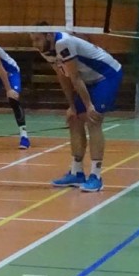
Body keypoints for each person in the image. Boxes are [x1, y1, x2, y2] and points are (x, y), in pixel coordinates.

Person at [31, 24, 124, 193]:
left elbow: (75, 77)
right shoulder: (46, 50)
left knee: (93, 119)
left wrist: (89, 106)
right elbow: (63, 76)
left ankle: (96, 176)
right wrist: (72, 106)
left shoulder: (63, 43)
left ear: (49, 35)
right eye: (33, 40)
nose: (35, 44)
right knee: (74, 119)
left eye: (37, 39)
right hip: (87, 79)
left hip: (107, 75)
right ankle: (76, 172)